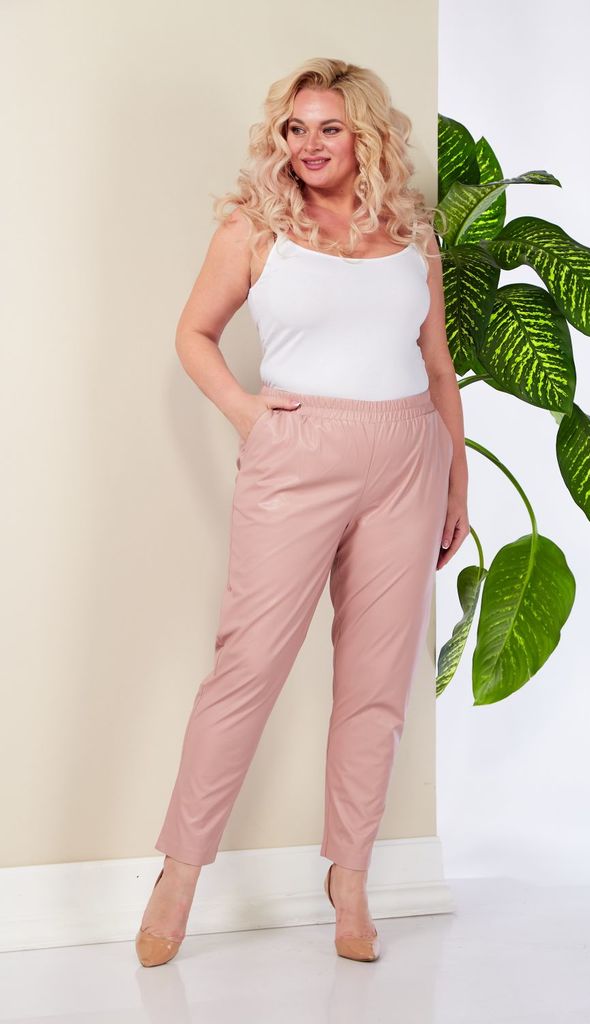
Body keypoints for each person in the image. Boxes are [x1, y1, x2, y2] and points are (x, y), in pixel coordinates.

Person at [135, 57, 469, 968]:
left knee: (377, 683)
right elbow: (193, 334)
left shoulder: (412, 234)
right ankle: (179, 874)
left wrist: (457, 483)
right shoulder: (256, 227)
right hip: (297, 455)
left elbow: (438, 366)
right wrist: (248, 415)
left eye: (329, 128)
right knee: (246, 668)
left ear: (367, 136)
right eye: (295, 128)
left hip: (408, 456)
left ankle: (349, 881)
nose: (309, 144)